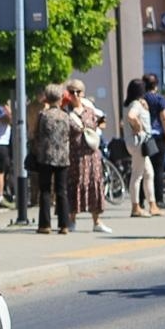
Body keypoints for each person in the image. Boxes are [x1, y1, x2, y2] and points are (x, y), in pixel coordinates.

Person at [65, 79, 111, 233]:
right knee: (75, 185)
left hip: (92, 154)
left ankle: (97, 221)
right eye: (72, 92)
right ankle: (72, 219)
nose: (75, 95)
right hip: (74, 156)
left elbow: (102, 121)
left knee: (94, 184)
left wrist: (96, 128)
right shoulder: (66, 112)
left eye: (78, 92)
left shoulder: (90, 109)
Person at [31, 83, 74, 233]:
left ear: (47, 99)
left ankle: (45, 225)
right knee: (61, 191)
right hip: (63, 157)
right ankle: (64, 225)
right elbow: (74, 131)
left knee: (45, 190)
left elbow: (35, 134)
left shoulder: (43, 115)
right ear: (60, 98)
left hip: (45, 156)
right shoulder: (65, 115)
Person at [123, 78, 160, 217]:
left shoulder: (129, 103)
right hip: (139, 142)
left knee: (149, 173)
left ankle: (152, 204)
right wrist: (138, 127)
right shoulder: (135, 105)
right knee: (137, 174)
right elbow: (131, 116)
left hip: (133, 142)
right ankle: (135, 207)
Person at [142, 73, 165, 206]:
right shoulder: (159, 99)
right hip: (158, 136)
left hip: (144, 137)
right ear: (156, 84)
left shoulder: (141, 100)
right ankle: (159, 199)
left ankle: (140, 199)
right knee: (158, 169)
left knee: (143, 169)